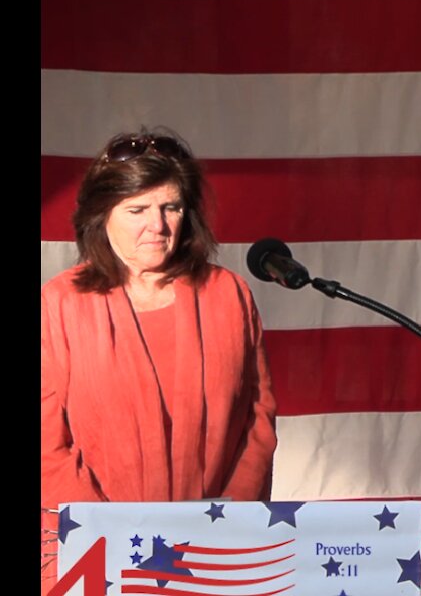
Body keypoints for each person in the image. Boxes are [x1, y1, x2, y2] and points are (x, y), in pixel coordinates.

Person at [41, 129, 278, 593]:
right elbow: (46, 442)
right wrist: (110, 534)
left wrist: (224, 519)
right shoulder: (60, 303)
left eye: (171, 207)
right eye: (137, 210)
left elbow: (259, 419)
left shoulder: (227, 294)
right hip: (94, 553)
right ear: (99, 215)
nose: (159, 225)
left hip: (217, 549)